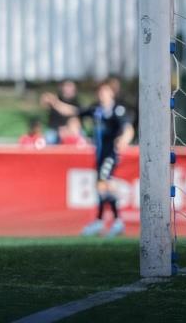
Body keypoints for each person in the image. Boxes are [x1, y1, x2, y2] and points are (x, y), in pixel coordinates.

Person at [44, 80, 134, 237]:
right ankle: (107, 221)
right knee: (102, 186)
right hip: (100, 154)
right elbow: (73, 111)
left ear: (111, 94)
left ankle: (111, 221)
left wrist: (124, 139)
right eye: (100, 92)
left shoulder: (117, 110)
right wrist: (55, 103)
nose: (102, 95)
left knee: (102, 184)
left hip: (110, 154)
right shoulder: (96, 110)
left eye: (105, 92)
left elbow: (128, 128)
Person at [46, 80, 79, 145]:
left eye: (70, 86)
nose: (68, 89)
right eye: (66, 86)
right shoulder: (58, 98)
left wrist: (54, 102)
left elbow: (71, 111)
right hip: (55, 130)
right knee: (49, 139)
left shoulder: (76, 102)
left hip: (71, 130)